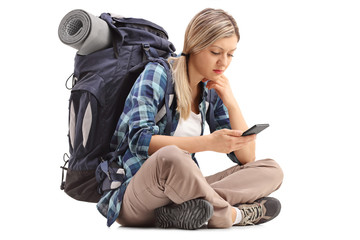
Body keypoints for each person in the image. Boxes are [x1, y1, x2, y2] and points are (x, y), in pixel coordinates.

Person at [97, 8, 283, 229]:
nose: (223, 62)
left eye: (230, 54)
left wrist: (232, 102)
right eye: (216, 52)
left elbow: (246, 158)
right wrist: (207, 143)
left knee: (271, 169)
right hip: (134, 197)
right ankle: (232, 215)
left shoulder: (211, 90)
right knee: (172, 156)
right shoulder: (158, 73)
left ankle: (189, 211)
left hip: (179, 195)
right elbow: (139, 140)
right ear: (194, 46)